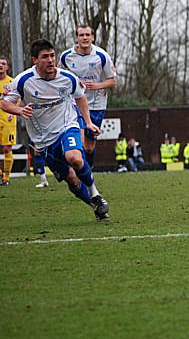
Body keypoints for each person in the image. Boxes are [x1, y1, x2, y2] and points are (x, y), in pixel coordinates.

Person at [0, 39, 110, 221]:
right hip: (44, 140)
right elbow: (4, 102)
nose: (50, 60)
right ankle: (95, 206)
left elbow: (81, 98)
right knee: (72, 180)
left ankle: (95, 193)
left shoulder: (67, 78)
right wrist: (20, 110)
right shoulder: (24, 80)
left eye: (52, 55)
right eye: (45, 57)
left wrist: (88, 123)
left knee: (74, 157)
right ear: (35, 60)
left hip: (68, 126)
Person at [59, 25, 117, 169]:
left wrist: (96, 85)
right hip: (75, 105)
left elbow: (113, 81)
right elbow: (58, 77)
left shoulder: (102, 56)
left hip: (96, 105)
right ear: (76, 38)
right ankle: (81, 174)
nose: (84, 38)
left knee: (89, 147)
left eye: (87, 35)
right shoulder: (66, 56)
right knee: (81, 143)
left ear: (92, 37)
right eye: (81, 35)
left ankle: (88, 170)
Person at [0, 58, 17, 185]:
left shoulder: (12, 82)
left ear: (7, 67)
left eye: (3, 64)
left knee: (7, 148)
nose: (0, 66)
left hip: (8, 118)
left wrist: (14, 111)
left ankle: (6, 178)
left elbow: (18, 99)